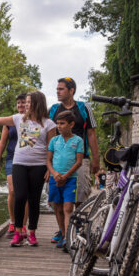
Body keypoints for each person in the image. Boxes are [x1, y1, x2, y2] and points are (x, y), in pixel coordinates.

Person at [0, 91, 56, 247]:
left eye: (29, 102)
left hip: (39, 166)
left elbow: (51, 149)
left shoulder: (49, 124)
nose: (26, 104)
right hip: (19, 164)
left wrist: (50, 169)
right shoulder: (18, 119)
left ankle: (32, 233)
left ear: (37, 103)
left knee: (34, 200)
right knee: (20, 196)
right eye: (25, 102)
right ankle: (18, 232)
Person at [49, 77, 100, 207]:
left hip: (81, 159)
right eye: (57, 89)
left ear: (71, 90)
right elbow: (48, 137)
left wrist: (96, 159)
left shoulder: (84, 107)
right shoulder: (53, 110)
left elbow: (91, 134)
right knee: (57, 200)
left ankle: (77, 227)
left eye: (61, 89)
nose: (58, 92)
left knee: (81, 195)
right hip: (58, 161)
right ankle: (63, 228)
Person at [46, 111, 84, 249]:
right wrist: (55, 174)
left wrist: (65, 176)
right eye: (57, 123)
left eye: (62, 123)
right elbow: (48, 161)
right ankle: (62, 233)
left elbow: (79, 162)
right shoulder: (54, 141)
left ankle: (69, 238)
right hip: (54, 178)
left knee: (68, 207)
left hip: (70, 179)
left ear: (71, 124)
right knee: (57, 207)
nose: (59, 126)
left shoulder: (78, 140)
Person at [0, 93, 28, 238]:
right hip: (11, 158)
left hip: (27, 159)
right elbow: (2, 143)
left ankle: (24, 226)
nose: (20, 105)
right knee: (13, 191)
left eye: (23, 102)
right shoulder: (10, 121)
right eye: (18, 103)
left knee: (25, 193)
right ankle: (13, 222)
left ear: (28, 104)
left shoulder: (32, 121)